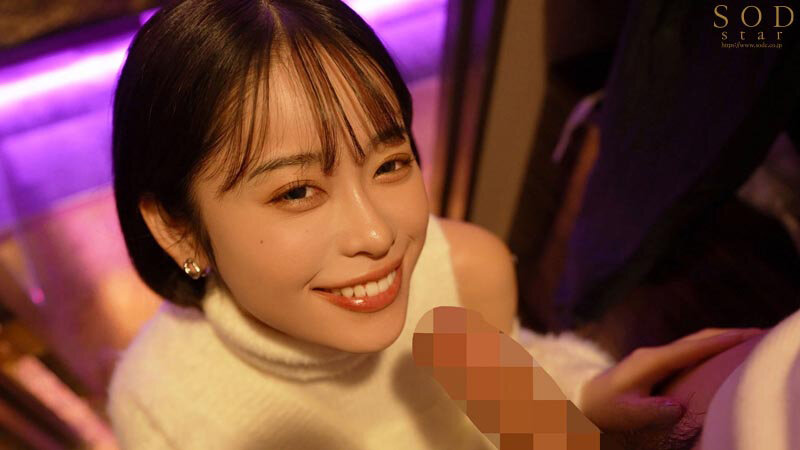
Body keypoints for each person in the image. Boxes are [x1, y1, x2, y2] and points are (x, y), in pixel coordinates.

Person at [106, 1, 757, 448]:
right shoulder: (160, 405)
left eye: (390, 163)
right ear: (178, 229)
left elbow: (516, 420)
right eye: (298, 191)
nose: (377, 235)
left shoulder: (463, 276)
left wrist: (579, 406)